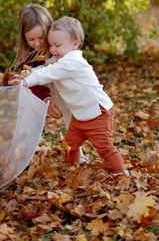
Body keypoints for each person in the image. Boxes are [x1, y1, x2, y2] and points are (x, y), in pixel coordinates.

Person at [10, 16, 128, 175]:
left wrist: (26, 82)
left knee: (104, 147)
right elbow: (43, 69)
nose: (52, 50)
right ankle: (73, 168)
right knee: (70, 144)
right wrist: (24, 77)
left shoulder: (72, 62)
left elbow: (48, 72)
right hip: (81, 116)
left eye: (57, 45)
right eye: (51, 45)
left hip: (98, 112)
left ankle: (121, 172)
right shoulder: (60, 59)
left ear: (75, 43)